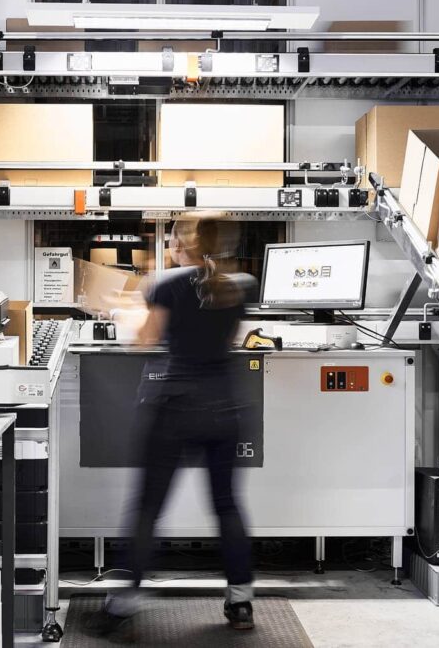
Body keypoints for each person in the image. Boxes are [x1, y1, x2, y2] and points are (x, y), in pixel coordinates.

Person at [88, 215, 258, 639]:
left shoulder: (166, 283)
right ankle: (240, 602)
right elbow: (230, 338)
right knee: (227, 505)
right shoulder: (240, 286)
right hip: (224, 410)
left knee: (148, 506)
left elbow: (145, 339)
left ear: (182, 244)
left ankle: (124, 603)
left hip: (174, 409)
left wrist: (116, 310)